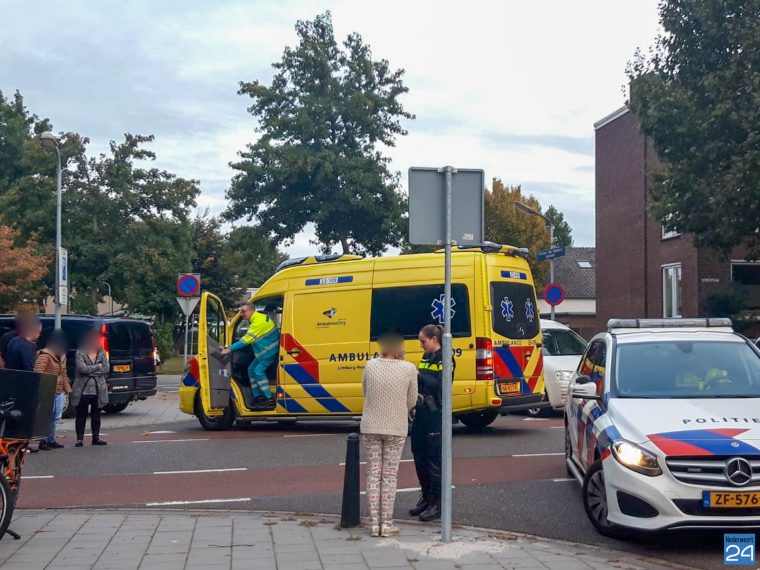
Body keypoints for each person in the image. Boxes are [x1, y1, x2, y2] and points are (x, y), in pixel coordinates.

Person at [360, 331, 417, 537]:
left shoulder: (370, 365)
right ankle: (387, 524)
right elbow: (412, 400)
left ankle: (374, 524)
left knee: (373, 474)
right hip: (395, 427)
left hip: (371, 426)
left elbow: (365, 392)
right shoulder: (409, 368)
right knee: (390, 476)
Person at [409, 324, 454, 522]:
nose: (421, 345)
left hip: (435, 414)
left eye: (423, 341)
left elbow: (441, 385)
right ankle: (426, 498)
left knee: (434, 460)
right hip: (421, 412)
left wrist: (418, 376)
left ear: (434, 339)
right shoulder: (426, 356)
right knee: (418, 454)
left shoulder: (445, 358)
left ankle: (437, 503)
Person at [220, 303, 280, 409]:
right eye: (241, 311)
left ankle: (269, 399)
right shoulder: (259, 318)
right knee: (251, 370)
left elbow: (246, 340)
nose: (242, 314)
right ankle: (258, 397)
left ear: (251, 311)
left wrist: (229, 349)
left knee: (258, 371)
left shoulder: (257, 322)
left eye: (243, 311)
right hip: (266, 351)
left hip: (269, 352)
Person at [34, 331, 72, 450]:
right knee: (46, 416)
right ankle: (43, 441)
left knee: (56, 417)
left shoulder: (62, 356)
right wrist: (44, 387)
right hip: (48, 390)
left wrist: (68, 390)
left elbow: (63, 374)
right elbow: (38, 372)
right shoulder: (45, 355)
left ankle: (51, 439)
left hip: (59, 390)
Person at [72, 329, 109, 447]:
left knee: (96, 415)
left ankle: (96, 438)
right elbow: (81, 369)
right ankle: (79, 439)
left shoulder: (102, 353)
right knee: (81, 415)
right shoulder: (80, 352)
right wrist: (98, 366)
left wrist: (90, 370)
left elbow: (106, 369)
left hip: (98, 389)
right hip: (82, 390)